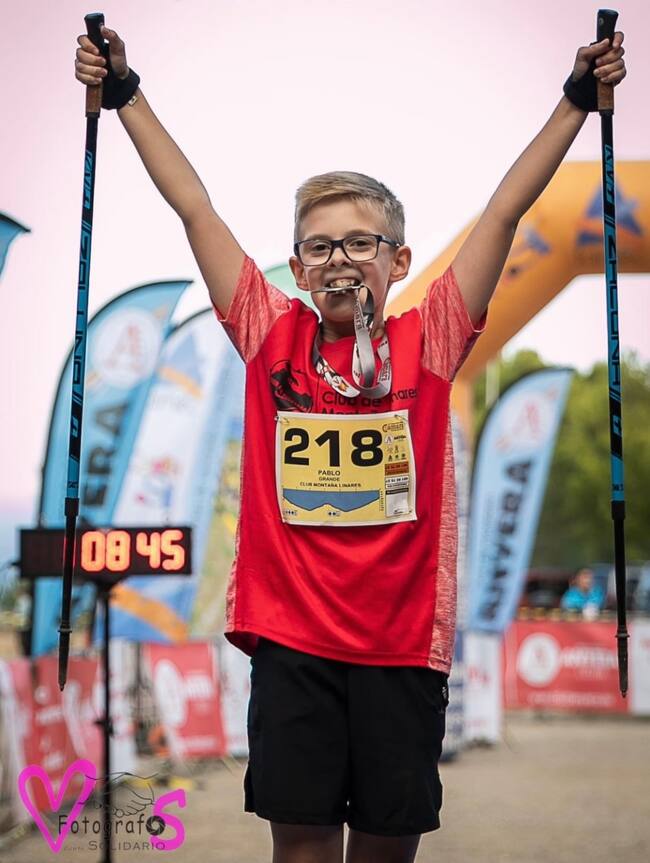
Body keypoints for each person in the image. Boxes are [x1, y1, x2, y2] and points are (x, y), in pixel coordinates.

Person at [75, 22, 626, 863]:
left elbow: (508, 209)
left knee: (382, 854)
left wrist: (576, 102)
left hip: (402, 647)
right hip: (293, 641)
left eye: (360, 243)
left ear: (398, 259)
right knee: (300, 853)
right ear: (296, 268)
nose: (339, 259)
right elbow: (195, 206)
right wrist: (126, 96)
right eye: (319, 245)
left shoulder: (429, 341)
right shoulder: (271, 334)